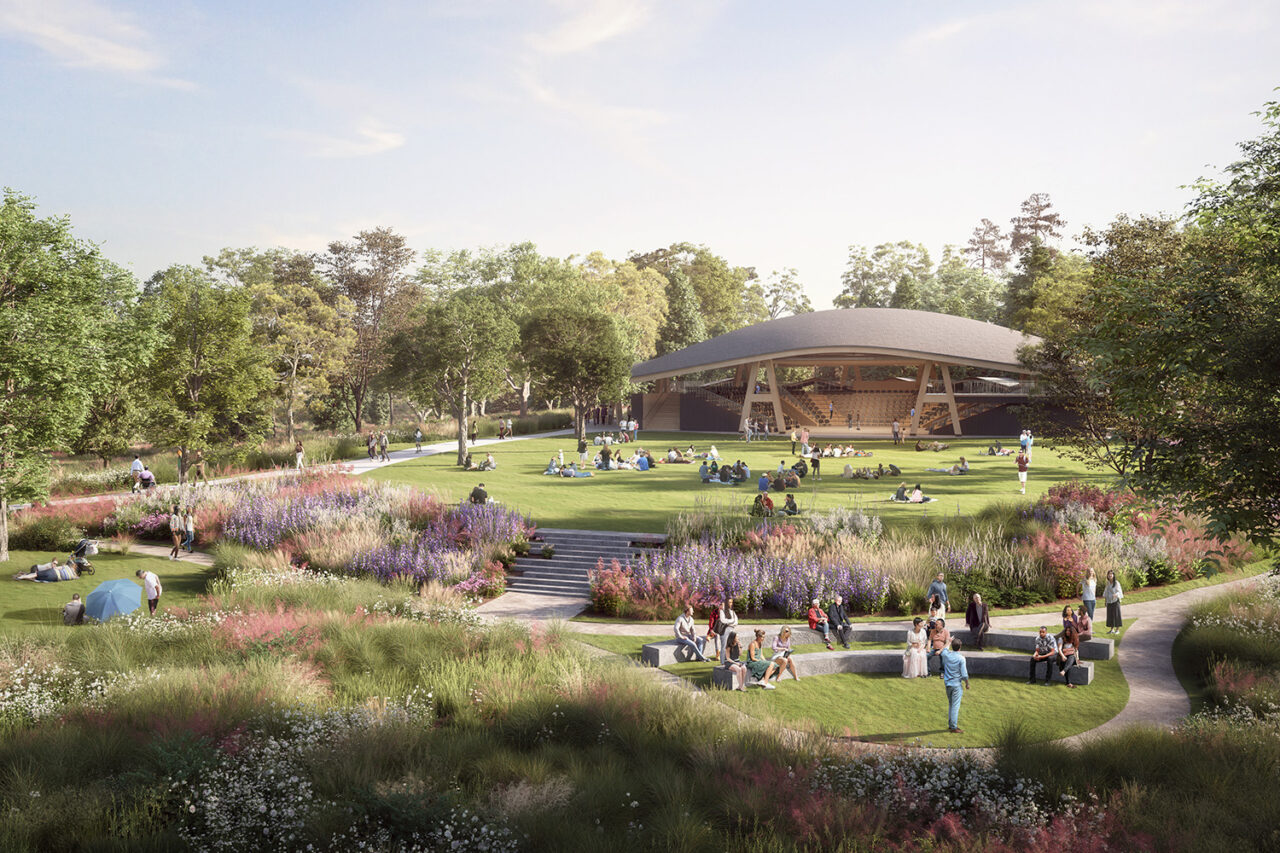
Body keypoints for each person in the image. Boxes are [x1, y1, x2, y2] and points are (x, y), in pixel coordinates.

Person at [940, 638, 969, 733]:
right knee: (955, 706)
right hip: (956, 685)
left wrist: (948, 641)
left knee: (951, 704)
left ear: (952, 646)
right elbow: (964, 674)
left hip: (948, 684)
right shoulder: (961, 658)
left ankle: (951, 725)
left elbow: (944, 649)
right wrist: (967, 684)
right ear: (960, 647)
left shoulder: (946, 655)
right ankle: (953, 727)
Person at [1103, 569, 1124, 634]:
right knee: (1110, 615)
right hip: (1109, 602)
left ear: (1113, 575)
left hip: (1115, 601)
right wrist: (1105, 601)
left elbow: (1119, 591)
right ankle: (1111, 629)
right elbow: (1106, 593)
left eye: (1111, 574)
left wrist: (1116, 594)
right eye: (1109, 574)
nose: (1110, 575)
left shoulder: (1117, 583)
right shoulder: (1108, 583)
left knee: (1116, 615)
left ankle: (1117, 630)